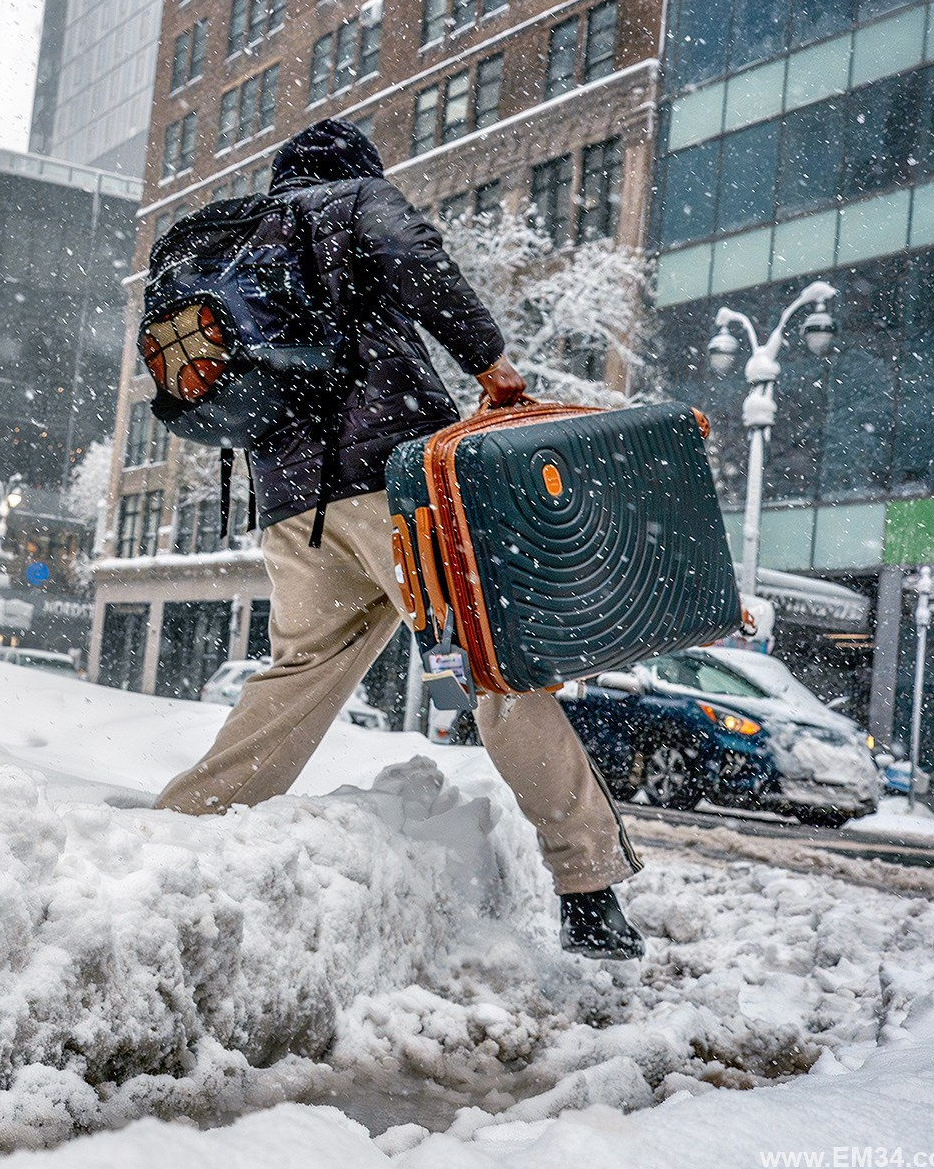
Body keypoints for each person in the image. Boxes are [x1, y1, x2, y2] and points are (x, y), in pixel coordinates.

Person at [154, 118, 646, 961]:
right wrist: (491, 364)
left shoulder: (236, 241)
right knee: (497, 669)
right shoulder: (349, 204)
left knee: (297, 677)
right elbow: (416, 258)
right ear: (357, 170)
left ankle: (173, 835)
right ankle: (589, 888)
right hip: (393, 491)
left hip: (291, 506)